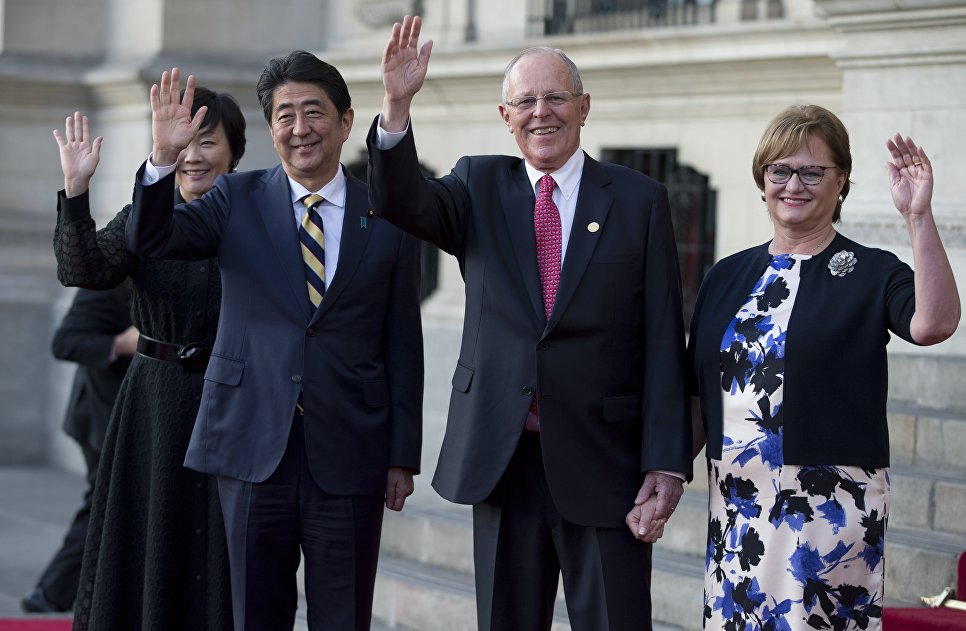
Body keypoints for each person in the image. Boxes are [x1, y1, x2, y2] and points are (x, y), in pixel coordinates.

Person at [367, 16, 691, 631]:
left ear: (584, 107)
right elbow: (399, 200)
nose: (541, 112)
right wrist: (397, 107)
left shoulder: (638, 199)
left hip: (605, 460)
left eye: (556, 97)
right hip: (503, 455)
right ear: (505, 115)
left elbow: (661, 337)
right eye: (525, 101)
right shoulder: (478, 184)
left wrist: (666, 461)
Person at [124, 53, 423, 631]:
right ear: (271, 128)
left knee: (344, 617)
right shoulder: (234, 197)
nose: (300, 128)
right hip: (250, 444)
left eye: (315, 112)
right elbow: (152, 239)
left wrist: (401, 456)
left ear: (345, 121)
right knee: (255, 615)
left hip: (350, 450)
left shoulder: (386, 214)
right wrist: (162, 158)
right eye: (285, 115)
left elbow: (402, 342)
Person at [686, 104, 960, 630]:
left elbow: (936, 323)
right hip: (739, 509)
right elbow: (699, 393)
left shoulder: (873, 270)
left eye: (812, 172)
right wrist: (666, 473)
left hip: (829, 510)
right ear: (762, 180)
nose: (794, 185)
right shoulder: (726, 276)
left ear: (842, 182)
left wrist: (918, 216)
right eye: (780, 171)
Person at [52, 88, 247, 630]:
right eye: (182, 142)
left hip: (229, 402)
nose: (193, 155)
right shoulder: (143, 217)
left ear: (235, 152)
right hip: (152, 404)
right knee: (144, 545)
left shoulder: (254, 217)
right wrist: (76, 189)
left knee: (217, 553)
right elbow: (83, 270)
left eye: (208, 142)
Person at [20, 283, 135, 613]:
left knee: (110, 505)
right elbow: (65, 342)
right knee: (103, 503)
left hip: (125, 415)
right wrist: (121, 344)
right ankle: (50, 593)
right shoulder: (108, 282)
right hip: (101, 416)